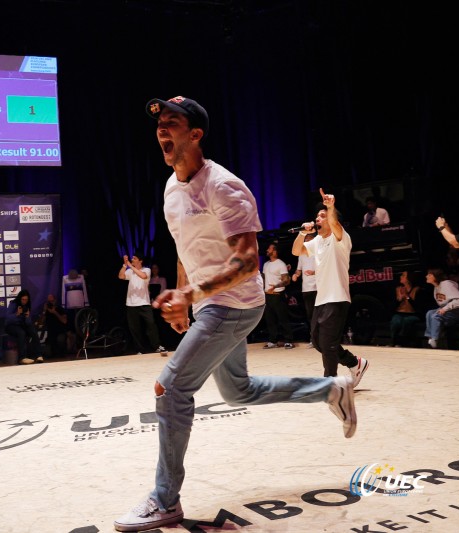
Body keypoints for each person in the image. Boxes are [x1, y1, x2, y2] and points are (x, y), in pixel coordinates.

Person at [114, 96, 359, 532]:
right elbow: (184, 248)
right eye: (159, 126)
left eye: (172, 123)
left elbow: (246, 261)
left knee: (169, 391)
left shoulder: (224, 186)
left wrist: (191, 294)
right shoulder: (171, 187)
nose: (162, 132)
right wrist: (180, 295)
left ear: (196, 134)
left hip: (236, 305)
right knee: (239, 391)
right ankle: (331, 389)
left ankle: (165, 500)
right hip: (209, 302)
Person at [291, 192, 369, 383]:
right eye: (317, 216)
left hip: (337, 297)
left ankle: (330, 383)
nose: (318, 218)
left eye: (322, 216)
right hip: (321, 299)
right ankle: (355, 363)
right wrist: (303, 233)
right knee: (318, 342)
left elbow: (335, 224)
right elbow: (296, 251)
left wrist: (331, 207)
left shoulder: (340, 238)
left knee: (328, 342)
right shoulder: (316, 242)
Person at [119, 254, 168, 355]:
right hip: (131, 304)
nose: (132, 259)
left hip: (144, 303)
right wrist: (125, 265)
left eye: (134, 258)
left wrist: (130, 265)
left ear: (140, 261)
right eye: (132, 258)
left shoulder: (147, 270)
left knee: (151, 324)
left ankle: (157, 346)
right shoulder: (130, 271)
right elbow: (121, 276)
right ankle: (140, 349)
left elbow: (143, 276)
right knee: (134, 328)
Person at [261, 243, 295, 349]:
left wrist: (275, 286)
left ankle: (289, 340)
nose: (267, 250)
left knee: (283, 318)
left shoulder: (280, 264)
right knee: (270, 319)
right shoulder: (266, 264)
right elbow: (263, 279)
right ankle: (273, 340)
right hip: (268, 295)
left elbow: (287, 280)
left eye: (269, 248)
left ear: (274, 251)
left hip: (278, 295)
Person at [423, 267, 459, 348]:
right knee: (429, 313)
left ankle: (434, 340)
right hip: (450, 310)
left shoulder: (447, 284)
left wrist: (445, 309)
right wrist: (443, 309)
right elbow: (442, 304)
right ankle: (430, 337)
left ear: (435, 276)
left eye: (429, 275)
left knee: (436, 316)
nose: (426, 276)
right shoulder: (436, 287)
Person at [291, 233, 317, 348]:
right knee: (310, 315)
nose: (306, 240)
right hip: (306, 289)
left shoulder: (317, 252)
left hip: (318, 287)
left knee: (320, 314)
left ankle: (323, 339)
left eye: (308, 238)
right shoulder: (301, 254)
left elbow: (325, 267)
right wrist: (295, 275)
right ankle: (314, 340)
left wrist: (314, 272)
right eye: (305, 238)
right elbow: (299, 270)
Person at [5, 289, 44, 364]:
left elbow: (28, 323)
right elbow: (8, 318)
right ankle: (22, 358)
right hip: (11, 326)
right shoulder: (13, 303)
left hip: (22, 325)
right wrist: (17, 314)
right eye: (23, 299)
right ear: (20, 298)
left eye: (26, 300)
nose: (24, 301)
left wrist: (27, 316)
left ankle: (38, 355)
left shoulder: (27, 306)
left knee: (33, 331)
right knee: (21, 333)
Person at [389, 271, 424, 347]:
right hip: (399, 313)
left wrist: (407, 297)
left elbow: (418, 307)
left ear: (409, 278)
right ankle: (393, 342)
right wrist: (400, 299)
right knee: (395, 321)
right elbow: (392, 306)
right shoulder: (398, 289)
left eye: (403, 275)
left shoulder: (417, 290)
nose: (400, 276)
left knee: (406, 321)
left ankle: (401, 342)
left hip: (413, 314)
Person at [36, 293, 71, 357]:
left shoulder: (60, 309)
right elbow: (41, 323)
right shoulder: (47, 311)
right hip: (51, 333)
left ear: (55, 300)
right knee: (47, 353)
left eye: (52, 301)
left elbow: (64, 321)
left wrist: (55, 312)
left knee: (60, 340)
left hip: (60, 331)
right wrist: (44, 311)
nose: (51, 303)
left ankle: (62, 354)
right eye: (49, 302)